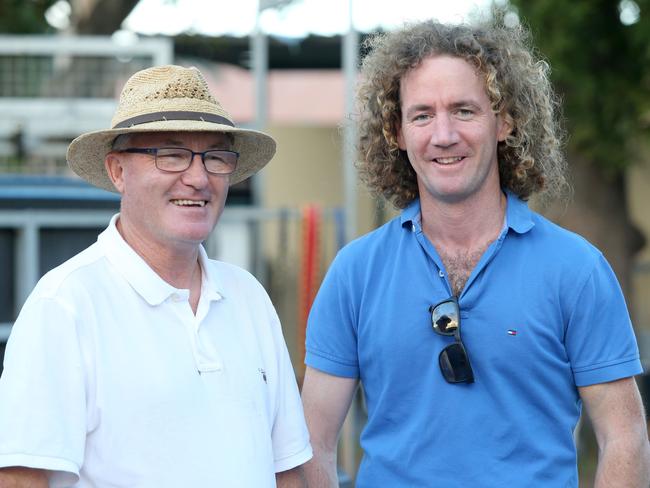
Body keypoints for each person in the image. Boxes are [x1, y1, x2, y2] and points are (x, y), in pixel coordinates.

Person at [301, 20, 650, 487]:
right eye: (422, 115)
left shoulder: (577, 269)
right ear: (398, 133)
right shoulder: (355, 272)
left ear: (504, 121)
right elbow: (312, 444)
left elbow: (624, 437)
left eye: (464, 110)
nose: (443, 135)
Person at [0, 65, 311, 487]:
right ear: (118, 171)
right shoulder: (66, 305)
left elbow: (287, 470)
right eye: (171, 154)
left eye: (216, 157)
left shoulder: (248, 296)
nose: (198, 178)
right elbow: (21, 479)